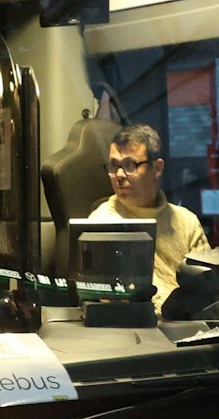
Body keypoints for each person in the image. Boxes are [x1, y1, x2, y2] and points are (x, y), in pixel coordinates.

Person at [87, 124, 209, 308]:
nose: (119, 175)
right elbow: (109, 301)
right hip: (133, 320)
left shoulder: (186, 221)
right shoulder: (101, 222)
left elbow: (206, 287)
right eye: (114, 165)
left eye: (130, 165)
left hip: (187, 319)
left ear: (157, 168)